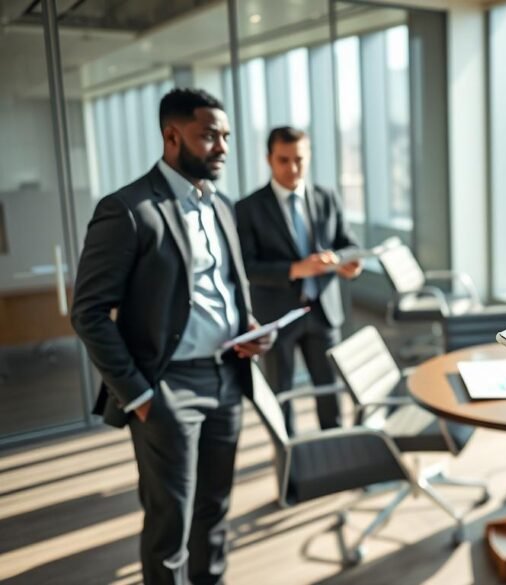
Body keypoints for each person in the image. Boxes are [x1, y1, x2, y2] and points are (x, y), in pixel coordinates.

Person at [72, 88, 273, 585]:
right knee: (171, 525)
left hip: (227, 377)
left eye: (225, 136)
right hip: (167, 388)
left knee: (215, 512)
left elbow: (225, 288)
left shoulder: (222, 206)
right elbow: (89, 312)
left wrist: (248, 329)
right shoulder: (128, 210)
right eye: (209, 136)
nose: (222, 146)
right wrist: (139, 395)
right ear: (171, 135)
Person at [235, 126, 362, 435]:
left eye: (299, 160)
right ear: (269, 159)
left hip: (324, 311)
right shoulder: (248, 208)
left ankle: (336, 450)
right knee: (282, 393)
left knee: (329, 390)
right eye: (284, 160)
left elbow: (349, 244)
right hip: (277, 315)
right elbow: (246, 266)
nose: (293, 168)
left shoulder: (326, 197)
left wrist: (348, 263)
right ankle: (290, 463)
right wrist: (295, 269)